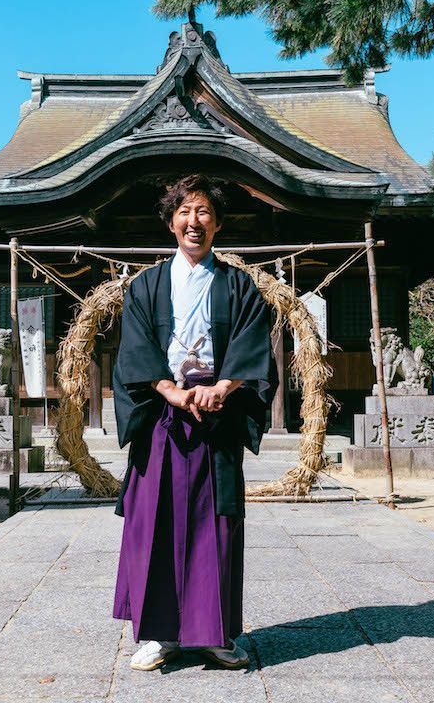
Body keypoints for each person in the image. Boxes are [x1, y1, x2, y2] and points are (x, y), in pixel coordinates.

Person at [111, 174, 277, 671]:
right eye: (185, 212)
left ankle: (217, 633)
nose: (194, 221)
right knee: (155, 523)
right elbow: (134, 353)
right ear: (170, 223)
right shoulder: (146, 285)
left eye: (204, 212)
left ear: (218, 223)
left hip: (218, 419)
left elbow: (253, 346)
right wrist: (171, 390)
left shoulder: (238, 285)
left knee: (216, 526)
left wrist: (223, 386)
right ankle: (156, 634)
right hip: (164, 418)